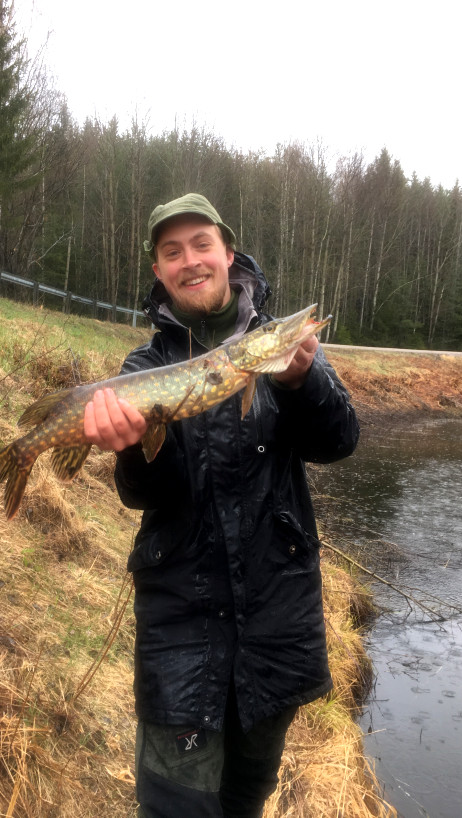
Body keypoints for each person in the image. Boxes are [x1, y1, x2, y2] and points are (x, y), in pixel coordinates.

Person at [83, 193, 359, 817]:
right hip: (181, 635)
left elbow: (339, 442)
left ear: (228, 254)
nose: (190, 261)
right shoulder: (144, 366)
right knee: (176, 807)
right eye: (172, 252)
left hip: (275, 633)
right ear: (159, 271)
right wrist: (130, 449)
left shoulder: (279, 353)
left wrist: (303, 380)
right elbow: (141, 495)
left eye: (201, 245)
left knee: (243, 803)